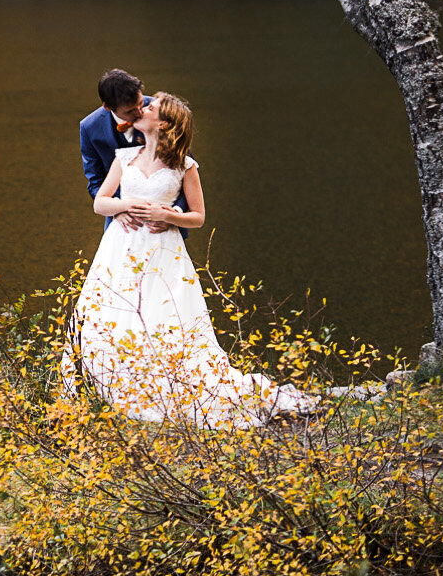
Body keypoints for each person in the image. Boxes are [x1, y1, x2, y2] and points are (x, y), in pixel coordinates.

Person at [72, 91, 318, 428]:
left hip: (163, 252)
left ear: (165, 123)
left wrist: (170, 215)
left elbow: (199, 217)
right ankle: (112, 386)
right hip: (120, 247)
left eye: (151, 107)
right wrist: (124, 208)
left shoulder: (184, 165)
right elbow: (100, 203)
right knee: (112, 313)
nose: (142, 109)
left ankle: (169, 383)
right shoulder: (124, 156)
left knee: (165, 317)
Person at [79, 68, 162, 234]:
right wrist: (117, 209)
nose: (140, 113)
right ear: (107, 107)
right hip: (122, 223)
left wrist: (174, 213)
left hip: (163, 221)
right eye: (130, 111)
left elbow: (184, 166)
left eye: (140, 104)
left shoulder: (159, 110)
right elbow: (96, 181)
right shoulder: (89, 127)